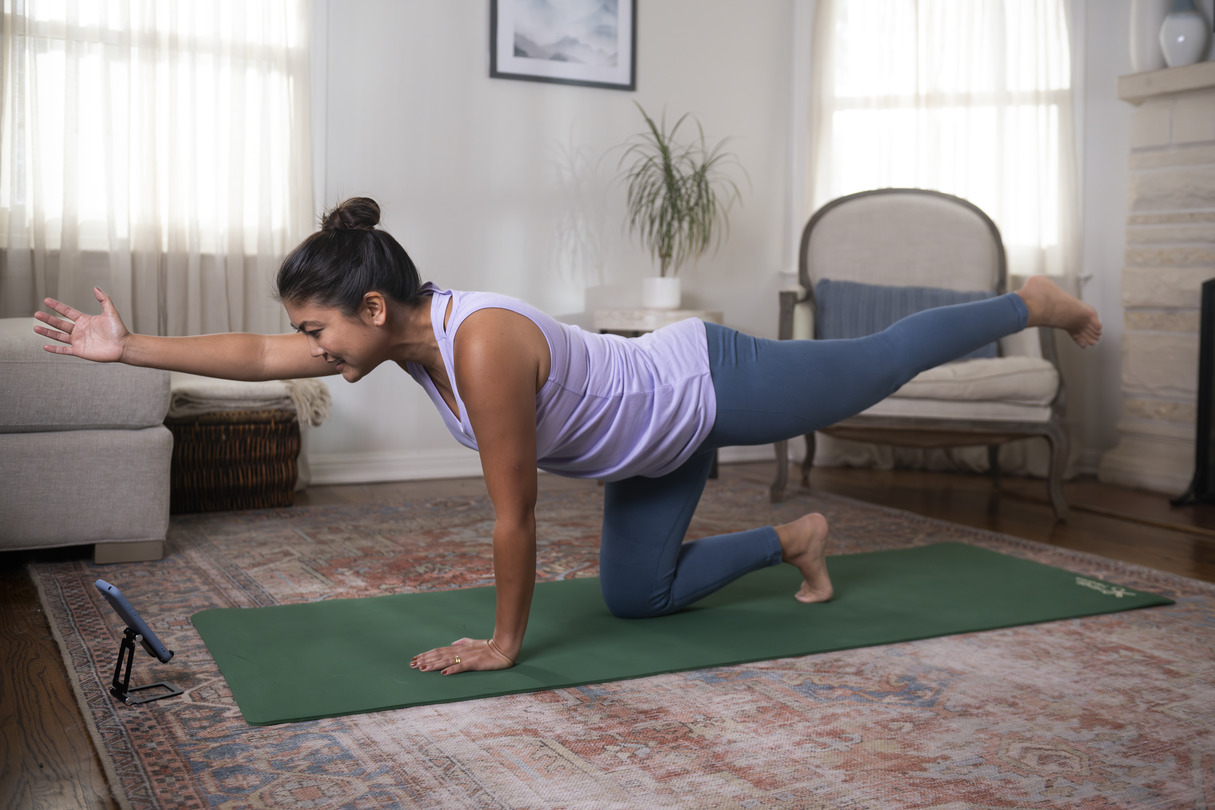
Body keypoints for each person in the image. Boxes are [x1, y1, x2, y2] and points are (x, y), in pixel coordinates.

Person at [34, 197, 1103, 677]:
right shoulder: (393, 339)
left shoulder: (484, 346)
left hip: (710, 385)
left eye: (316, 328)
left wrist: (504, 644)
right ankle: (796, 540)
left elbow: (516, 516)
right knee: (639, 597)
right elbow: (262, 354)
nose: (306, 347)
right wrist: (126, 350)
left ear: (370, 308)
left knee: (876, 363)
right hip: (652, 450)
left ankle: (1031, 301)